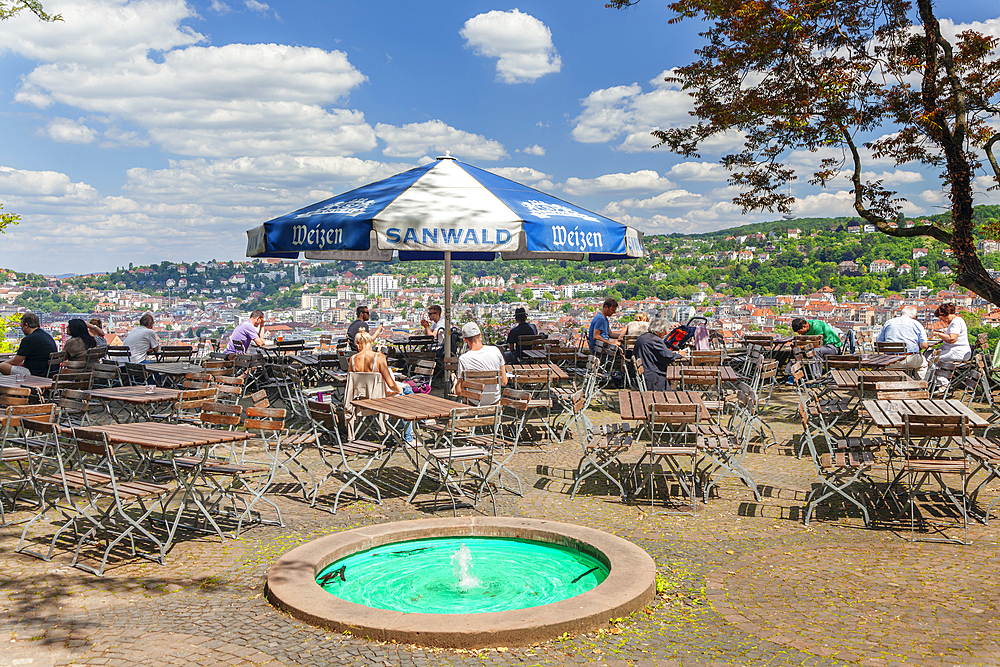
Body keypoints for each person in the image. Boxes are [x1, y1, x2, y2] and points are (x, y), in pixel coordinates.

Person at [350, 330, 413, 443]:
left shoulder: (353, 359)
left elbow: (351, 385)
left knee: (406, 390)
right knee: (407, 393)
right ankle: (410, 437)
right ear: (371, 343)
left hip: (361, 401)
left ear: (358, 344)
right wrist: (399, 390)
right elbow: (390, 384)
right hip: (379, 401)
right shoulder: (378, 357)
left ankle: (412, 429)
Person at [454, 322, 507, 405]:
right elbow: (504, 381)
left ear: (465, 340)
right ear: (480, 335)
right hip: (494, 400)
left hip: (474, 401)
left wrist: (455, 382)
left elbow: (459, 392)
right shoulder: (496, 350)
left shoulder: (464, 358)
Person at [876, 305, 930, 378]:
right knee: (923, 363)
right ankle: (918, 384)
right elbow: (924, 346)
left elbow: (879, 341)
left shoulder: (889, 322)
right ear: (914, 316)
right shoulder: (916, 324)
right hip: (908, 360)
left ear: (901, 314)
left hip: (888, 360)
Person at [0, 312, 57, 378]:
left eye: (21, 326)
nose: (21, 329)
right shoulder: (47, 336)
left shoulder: (29, 339)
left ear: (26, 325)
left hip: (35, 374)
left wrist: (4, 363)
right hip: (49, 374)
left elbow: (16, 361)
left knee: (2, 366)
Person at [632, 317, 681, 391]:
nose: (665, 333)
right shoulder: (655, 340)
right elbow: (668, 356)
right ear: (659, 330)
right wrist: (680, 355)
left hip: (643, 374)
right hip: (652, 378)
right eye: (664, 330)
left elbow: (661, 353)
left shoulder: (644, 336)